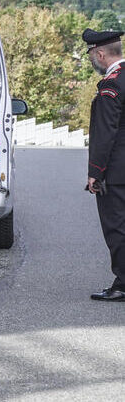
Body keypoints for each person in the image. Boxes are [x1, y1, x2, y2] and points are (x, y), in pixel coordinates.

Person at [82, 28, 125, 302]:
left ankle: (122, 283)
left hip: (118, 172)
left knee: (117, 226)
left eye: (91, 57)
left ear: (100, 53)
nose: (91, 62)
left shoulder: (112, 85)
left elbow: (106, 133)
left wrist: (94, 173)